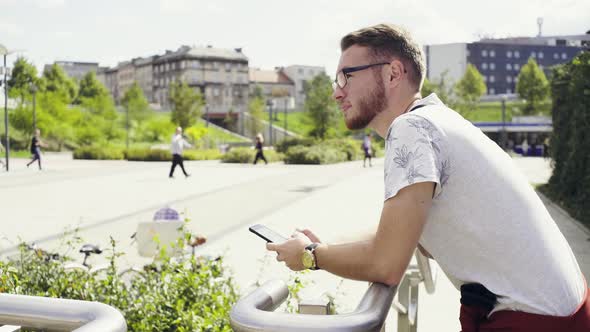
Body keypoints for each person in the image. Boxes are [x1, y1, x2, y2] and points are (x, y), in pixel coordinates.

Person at [266, 24, 589, 331]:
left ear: (393, 73)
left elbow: (387, 264)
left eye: (345, 77)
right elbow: (396, 234)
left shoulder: (412, 129)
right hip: (558, 312)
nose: (337, 93)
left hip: (533, 321)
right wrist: (327, 242)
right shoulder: (437, 119)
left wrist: (310, 257)